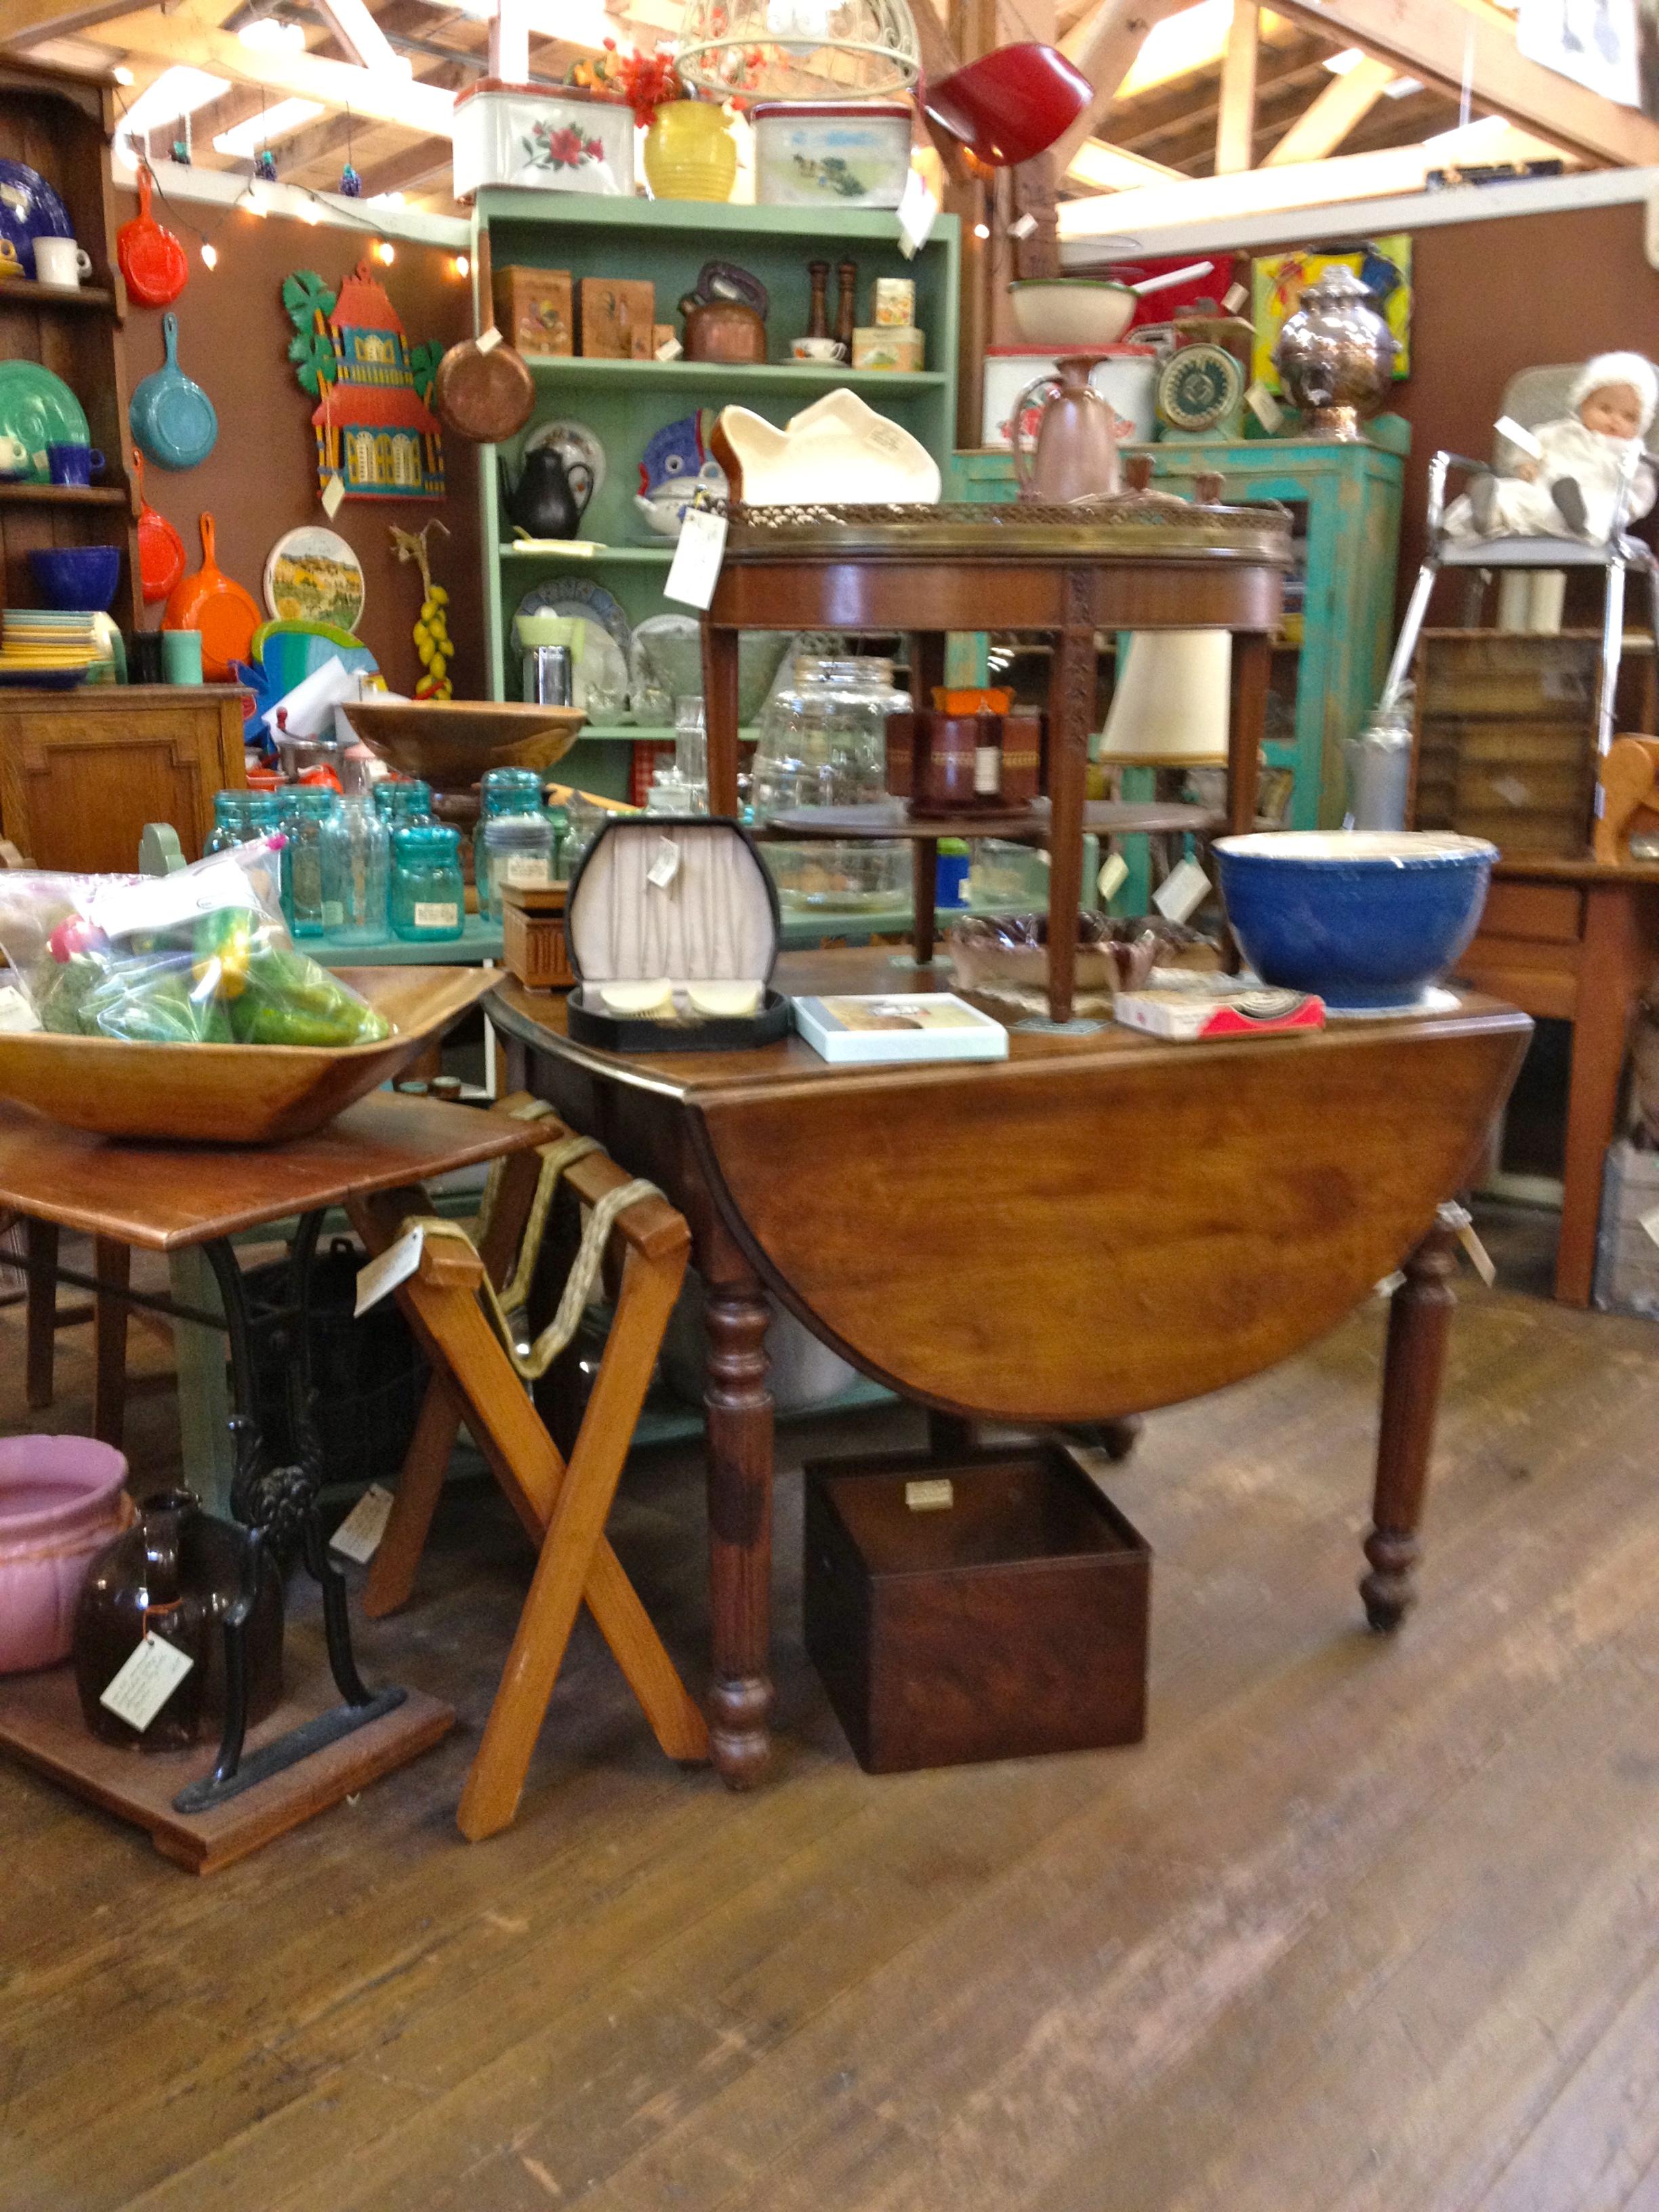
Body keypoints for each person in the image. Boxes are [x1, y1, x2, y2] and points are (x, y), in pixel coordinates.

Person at [1445, 350, 1658, 544]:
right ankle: (1488, 513)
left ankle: (1576, 518)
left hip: (1595, 498)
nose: (1615, 420)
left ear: (1642, 424)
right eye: (1605, 409)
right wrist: (1526, 463)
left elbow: (1643, 486)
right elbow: (1531, 446)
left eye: (1629, 417)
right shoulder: (1558, 431)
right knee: (1513, 495)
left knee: (1600, 512)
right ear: (1584, 404)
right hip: (1543, 492)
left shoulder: (1632, 451)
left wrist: (1631, 506)